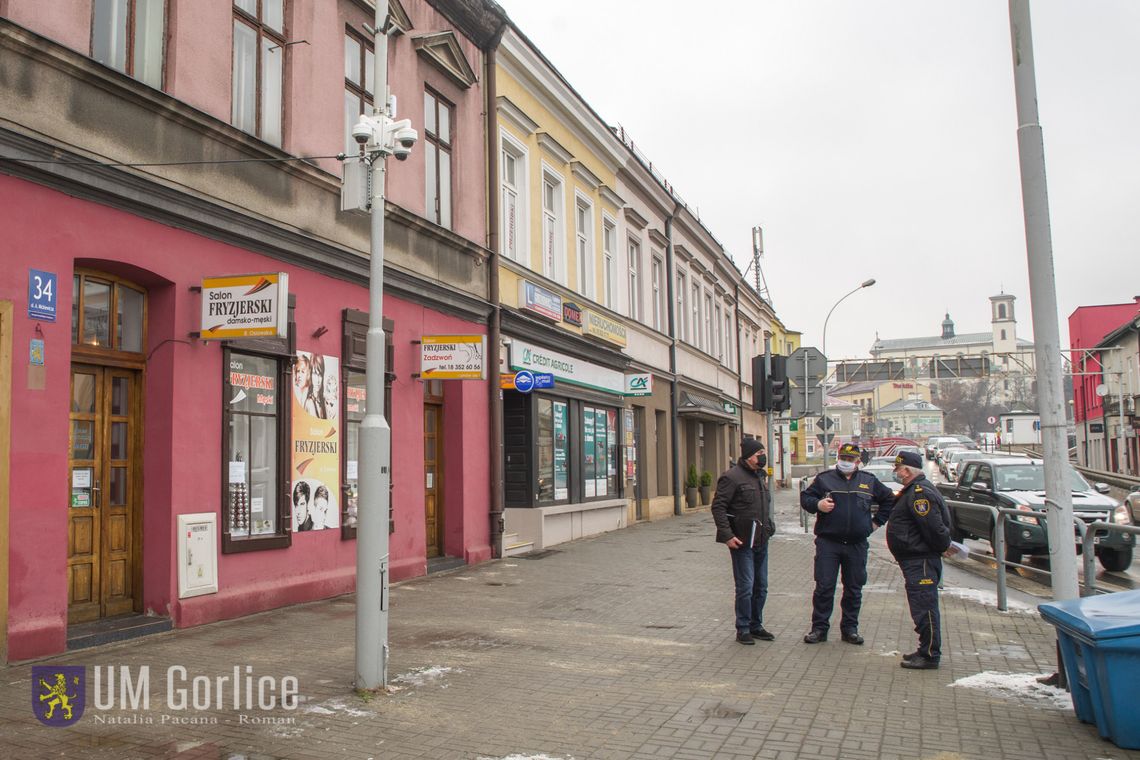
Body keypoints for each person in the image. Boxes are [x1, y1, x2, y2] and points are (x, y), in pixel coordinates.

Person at [799, 442, 894, 645]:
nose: (846, 462)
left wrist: (876, 523)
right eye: (843, 458)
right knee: (824, 587)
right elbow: (806, 498)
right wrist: (818, 505)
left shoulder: (869, 481)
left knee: (854, 588)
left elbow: (889, 500)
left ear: (858, 461)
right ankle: (819, 628)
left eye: (850, 459)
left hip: (856, 544)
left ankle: (850, 629)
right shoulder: (825, 479)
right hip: (828, 542)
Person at [886, 450, 952, 669]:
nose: (895, 472)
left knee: (925, 607)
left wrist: (943, 547)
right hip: (915, 559)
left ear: (906, 470)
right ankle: (925, 648)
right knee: (921, 606)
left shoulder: (920, 494)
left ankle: (930, 654)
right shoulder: (913, 491)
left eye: (897, 469)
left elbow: (933, 527)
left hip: (921, 560)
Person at [710, 437, 776, 645]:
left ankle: (757, 625)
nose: (763, 457)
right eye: (759, 454)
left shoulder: (760, 477)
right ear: (748, 456)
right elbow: (718, 507)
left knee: (761, 586)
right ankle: (743, 628)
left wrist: (770, 526)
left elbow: (764, 506)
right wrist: (727, 536)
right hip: (742, 541)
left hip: (761, 540)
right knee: (746, 586)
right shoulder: (732, 477)